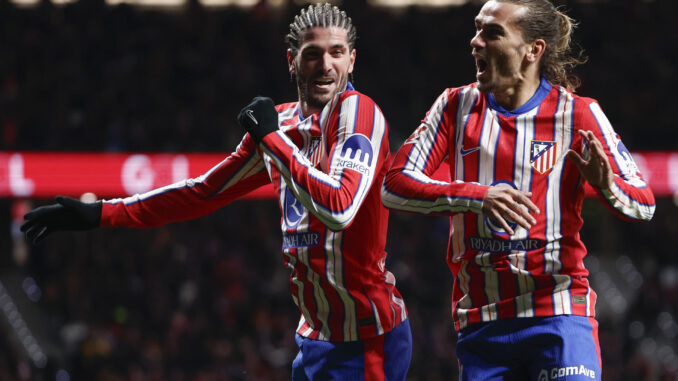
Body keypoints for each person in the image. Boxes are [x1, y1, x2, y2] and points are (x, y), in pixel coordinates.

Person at [21, 3, 411, 380]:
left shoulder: (358, 115)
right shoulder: (283, 122)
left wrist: (273, 140)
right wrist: (103, 213)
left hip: (367, 340)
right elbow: (203, 192)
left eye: (337, 53)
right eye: (312, 54)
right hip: (315, 338)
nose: (326, 65)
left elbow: (339, 209)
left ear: (352, 60)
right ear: (291, 60)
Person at [381, 0, 655, 379]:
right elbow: (394, 186)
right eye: (477, 29)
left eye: (492, 33)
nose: (475, 42)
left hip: (559, 313)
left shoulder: (578, 114)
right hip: (482, 322)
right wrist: (477, 196)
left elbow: (644, 203)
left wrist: (607, 185)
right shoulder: (454, 107)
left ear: (533, 50)